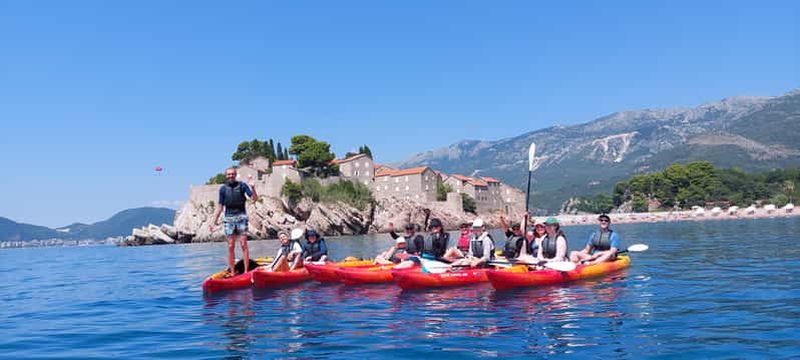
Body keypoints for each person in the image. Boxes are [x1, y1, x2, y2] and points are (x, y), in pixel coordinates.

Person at [209, 167, 258, 275]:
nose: (230, 176)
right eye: (228, 174)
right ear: (226, 176)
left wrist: (253, 188)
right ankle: (232, 272)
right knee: (231, 245)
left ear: (235, 175)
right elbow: (220, 207)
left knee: (243, 243)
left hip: (241, 217)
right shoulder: (222, 189)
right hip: (229, 218)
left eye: (232, 174)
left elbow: (254, 199)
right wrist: (213, 221)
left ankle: (246, 271)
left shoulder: (242, 186)